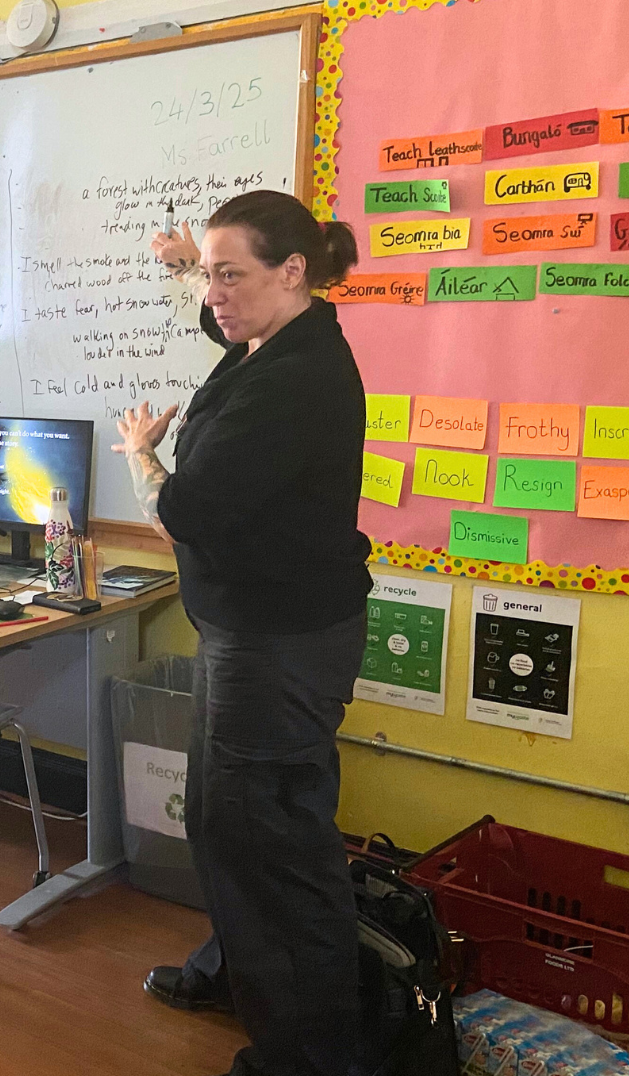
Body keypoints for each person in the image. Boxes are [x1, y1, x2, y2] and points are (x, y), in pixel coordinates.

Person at [120, 189, 372, 1076]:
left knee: (271, 846)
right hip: (254, 634)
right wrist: (193, 265)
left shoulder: (295, 382)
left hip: (277, 647)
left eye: (232, 275)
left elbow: (184, 512)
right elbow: (220, 328)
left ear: (292, 272)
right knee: (230, 828)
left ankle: (307, 1054)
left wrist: (140, 456)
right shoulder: (275, 339)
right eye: (210, 275)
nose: (214, 295)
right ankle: (235, 970)